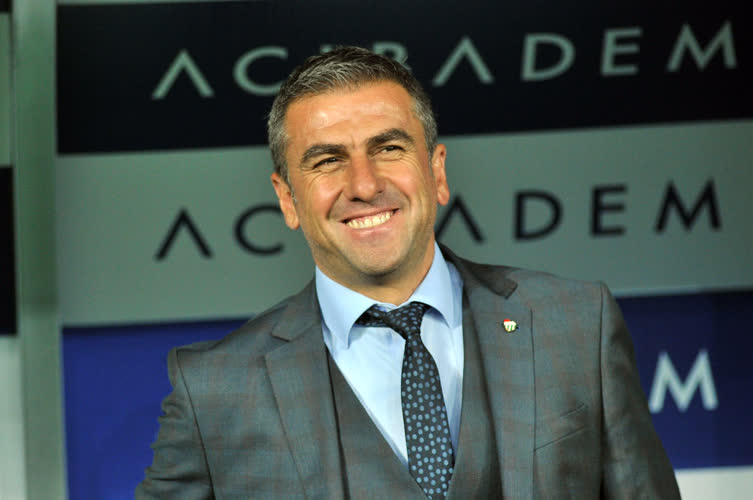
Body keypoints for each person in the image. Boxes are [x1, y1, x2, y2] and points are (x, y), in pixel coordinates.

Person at [136, 46, 680, 499]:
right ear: (287, 199)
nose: (365, 185)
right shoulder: (215, 391)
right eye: (327, 161)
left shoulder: (576, 325)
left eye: (389, 148)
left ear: (436, 171)